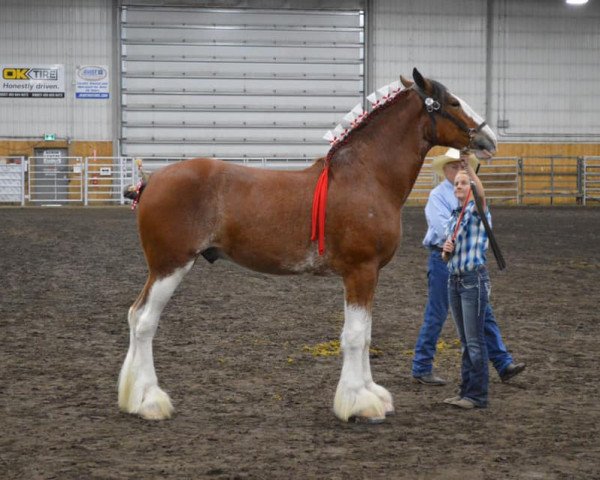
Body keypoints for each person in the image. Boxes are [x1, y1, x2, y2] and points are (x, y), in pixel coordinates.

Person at [411, 148, 525, 386]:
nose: (457, 170)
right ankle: (422, 366)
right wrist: (471, 233)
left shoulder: (471, 195)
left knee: (483, 313)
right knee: (439, 312)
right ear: (444, 170)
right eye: (453, 166)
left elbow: (486, 222)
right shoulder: (437, 196)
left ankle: (503, 363)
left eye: (461, 166)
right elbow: (446, 231)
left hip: (466, 261)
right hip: (445, 259)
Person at [441, 159, 492, 408]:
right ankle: (465, 391)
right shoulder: (454, 217)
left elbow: (481, 194)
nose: (458, 186)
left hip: (473, 280)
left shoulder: (477, 210)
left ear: (471, 186)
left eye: (463, 183)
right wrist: (446, 250)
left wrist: (469, 169)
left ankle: (477, 396)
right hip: (455, 279)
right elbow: (446, 255)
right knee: (465, 342)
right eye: (456, 183)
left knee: (474, 341)